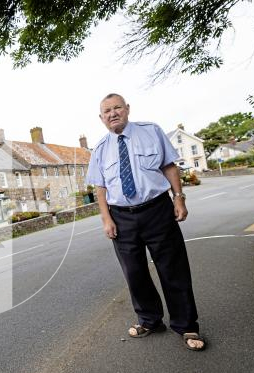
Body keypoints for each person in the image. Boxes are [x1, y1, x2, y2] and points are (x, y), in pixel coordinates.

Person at [86, 93, 206, 351]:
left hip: (157, 210)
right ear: (101, 118)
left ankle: (186, 325)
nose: (112, 113)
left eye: (117, 107)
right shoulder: (100, 149)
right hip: (121, 217)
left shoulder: (151, 131)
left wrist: (179, 198)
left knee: (173, 269)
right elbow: (100, 188)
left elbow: (169, 166)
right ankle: (150, 320)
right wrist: (106, 219)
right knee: (134, 272)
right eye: (106, 111)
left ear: (127, 109)